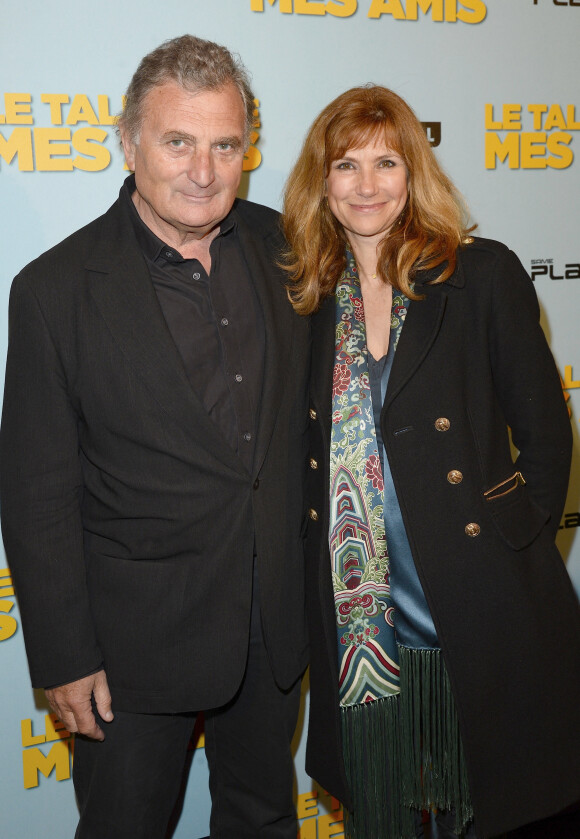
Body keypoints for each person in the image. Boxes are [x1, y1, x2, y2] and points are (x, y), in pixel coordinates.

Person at [0, 35, 309, 839]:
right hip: (130, 649)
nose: (202, 171)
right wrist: (65, 656)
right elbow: (37, 494)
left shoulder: (291, 248)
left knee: (264, 819)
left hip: (269, 624)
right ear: (130, 140)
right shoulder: (53, 290)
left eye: (225, 145)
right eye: (178, 142)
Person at [281, 85, 580, 839]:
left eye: (387, 161)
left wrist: (510, 552)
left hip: (476, 607)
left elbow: (547, 438)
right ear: (322, 182)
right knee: (388, 817)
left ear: (414, 171)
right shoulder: (309, 301)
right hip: (364, 630)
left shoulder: (480, 275)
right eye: (346, 165)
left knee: (485, 812)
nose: (368, 184)